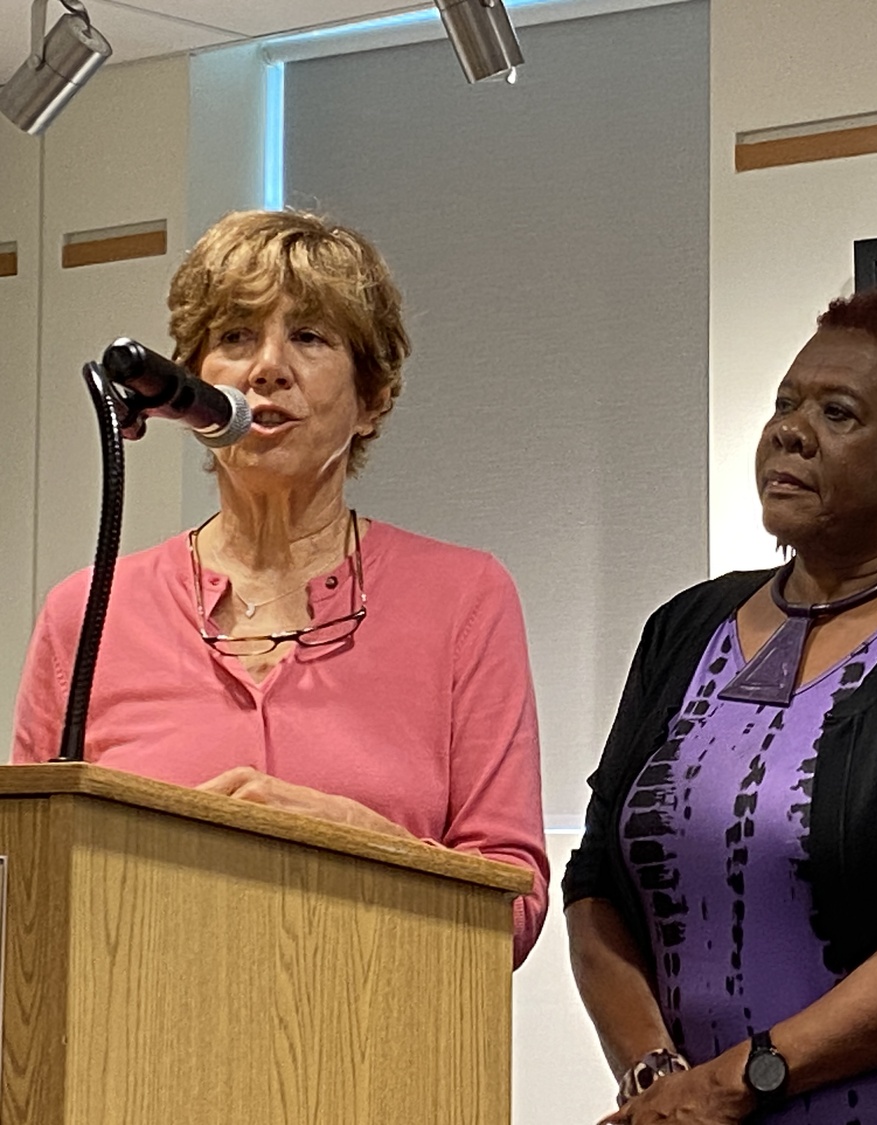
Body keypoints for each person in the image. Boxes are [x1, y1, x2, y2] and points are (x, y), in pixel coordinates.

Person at [10, 210, 548, 965]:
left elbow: (515, 906)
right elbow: (24, 892)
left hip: (382, 1054)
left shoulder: (466, 599)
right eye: (234, 337)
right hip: (135, 1057)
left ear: (373, 397)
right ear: (189, 388)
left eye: (310, 337)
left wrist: (346, 839)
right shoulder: (85, 611)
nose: (267, 366)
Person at [563, 290, 877, 1124]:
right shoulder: (684, 626)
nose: (790, 429)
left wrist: (735, 1084)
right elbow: (595, 878)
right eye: (786, 403)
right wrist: (656, 1078)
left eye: (838, 412)